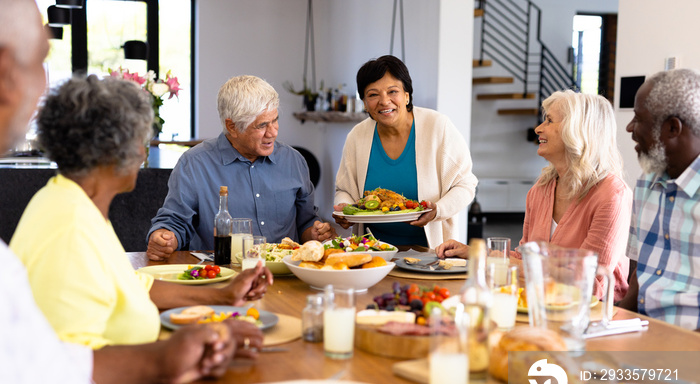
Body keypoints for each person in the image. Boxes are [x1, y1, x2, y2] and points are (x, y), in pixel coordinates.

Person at [0, 4, 296, 384]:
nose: (144, 149)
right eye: (142, 137)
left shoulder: (71, 203)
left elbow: (127, 286)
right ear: (116, 150)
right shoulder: (68, 229)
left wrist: (219, 296)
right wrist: (166, 361)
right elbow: (63, 377)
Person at [437, 90, 632, 301]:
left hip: (597, 317)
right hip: (541, 304)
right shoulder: (541, 188)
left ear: (577, 130)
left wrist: (522, 263)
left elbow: (589, 283)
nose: (538, 128)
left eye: (549, 121)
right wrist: (474, 253)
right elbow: (523, 257)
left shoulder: (612, 195)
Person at [147, 75, 336, 261]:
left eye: (275, 120)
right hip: (223, 275)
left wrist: (317, 233)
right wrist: (164, 237)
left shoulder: (293, 160)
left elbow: (306, 222)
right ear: (232, 127)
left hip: (286, 276)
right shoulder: (195, 163)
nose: (273, 132)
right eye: (261, 125)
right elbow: (175, 221)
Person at [333, 55, 478, 249]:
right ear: (365, 103)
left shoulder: (438, 127)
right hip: (373, 252)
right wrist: (345, 209)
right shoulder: (357, 136)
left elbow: (465, 184)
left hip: (430, 253)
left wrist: (438, 210)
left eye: (393, 91)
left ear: (407, 95)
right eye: (373, 95)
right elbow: (344, 190)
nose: (384, 101)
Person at [617, 69, 700, 330]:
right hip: (643, 333)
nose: (630, 128)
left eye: (638, 119)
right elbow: (641, 274)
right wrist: (610, 321)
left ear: (672, 128)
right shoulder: (645, 184)